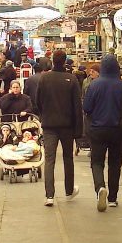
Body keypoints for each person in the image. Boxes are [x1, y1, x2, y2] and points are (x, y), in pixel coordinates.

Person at [82, 54, 122, 211]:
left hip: (97, 130)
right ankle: (113, 197)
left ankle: (100, 188)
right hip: (117, 130)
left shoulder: (94, 85)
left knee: (97, 162)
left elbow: (86, 108)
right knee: (115, 163)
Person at [34, 50, 83, 206]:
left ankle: (49, 195)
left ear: (53, 61)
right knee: (68, 158)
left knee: (49, 160)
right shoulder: (72, 79)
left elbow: (38, 101)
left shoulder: (44, 78)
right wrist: (78, 130)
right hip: (67, 126)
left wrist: (44, 115)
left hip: (49, 125)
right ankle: (69, 191)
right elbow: (77, 106)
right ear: (65, 61)